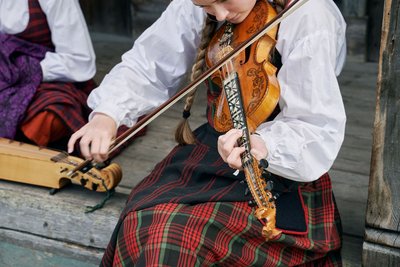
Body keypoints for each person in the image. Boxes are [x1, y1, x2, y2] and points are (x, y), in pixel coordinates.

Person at [69, 0, 347, 265]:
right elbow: (149, 64)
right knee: (141, 218)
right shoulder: (203, 7)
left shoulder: (308, 13)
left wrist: (265, 145)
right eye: (205, 7)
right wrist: (107, 115)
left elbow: (314, 123)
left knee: (174, 234)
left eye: (225, 1)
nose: (220, 15)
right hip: (212, 151)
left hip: (278, 171)